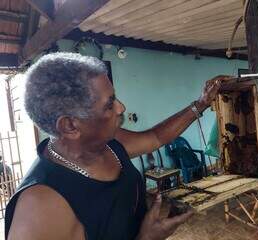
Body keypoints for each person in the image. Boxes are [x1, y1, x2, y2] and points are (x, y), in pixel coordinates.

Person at [5, 52, 225, 240]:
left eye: (115, 97)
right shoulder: (41, 208)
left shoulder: (108, 143)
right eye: (109, 105)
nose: (121, 108)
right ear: (70, 125)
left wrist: (202, 102)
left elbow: (155, 138)